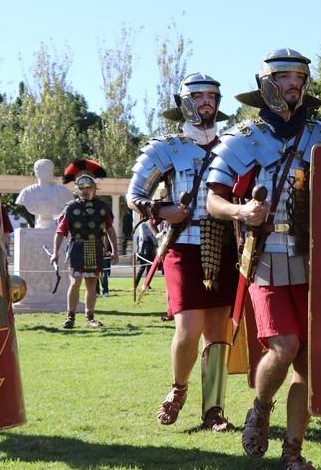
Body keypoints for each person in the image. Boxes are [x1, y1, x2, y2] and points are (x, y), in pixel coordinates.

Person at [206, 49, 321, 470]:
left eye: (300, 76)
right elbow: (212, 199)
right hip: (266, 257)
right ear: (266, 83)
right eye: (284, 76)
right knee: (283, 348)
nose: (294, 83)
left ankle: (293, 453)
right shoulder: (243, 138)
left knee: (307, 362)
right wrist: (242, 212)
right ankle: (261, 407)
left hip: (313, 261)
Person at [127, 72, 239, 431]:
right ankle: (178, 389)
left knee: (219, 330)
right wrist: (162, 211)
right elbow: (135, 195)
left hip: (224, 243)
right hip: (184, 245)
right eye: (198, 96)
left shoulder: (234, 146)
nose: (206, 102)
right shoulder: (165, 147)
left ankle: (214, 410)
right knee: (189, 327)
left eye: (211, 96)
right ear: (183, 103)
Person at [52, 168, 119, 329]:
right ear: (78, 189)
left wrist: (115, 251)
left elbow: (110, 229)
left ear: (94, 188)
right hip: (77, 247)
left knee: (91, 283)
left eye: (88, 187)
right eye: (82, 188)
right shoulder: (70, 208)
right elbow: (61, 231)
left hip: (95, 247)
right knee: (75, 282)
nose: (85, 190)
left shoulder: (102, 207)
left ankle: (90, 318)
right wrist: (55, 252)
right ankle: (70, 317)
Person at [15, 159, 73, 229]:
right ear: (37, 172)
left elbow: (71, 202)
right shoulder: (27, 192)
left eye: (51, 170)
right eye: (47, 170)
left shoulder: (63, 191)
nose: (51, 173)